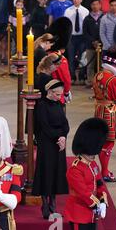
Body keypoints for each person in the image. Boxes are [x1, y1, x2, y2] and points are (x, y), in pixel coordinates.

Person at [64, 118, 109, 230]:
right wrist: (97, 205)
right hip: (79, 213)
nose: (92, 157)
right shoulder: (75, 169)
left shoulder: (93, 164)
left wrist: (103, 201)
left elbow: (100, 183)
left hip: (91, 214)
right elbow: (83, 192)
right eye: (91, 154)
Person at [32, 79, 69, 219]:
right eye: (57, 94)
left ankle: (53, 202)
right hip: (47, 144)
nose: (59, 97)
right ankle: (45, 203)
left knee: (57, 172)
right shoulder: (41, 106)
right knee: (46, 172)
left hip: (59, 144)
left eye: (60, 94)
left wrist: (63, 137)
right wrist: (57, 138)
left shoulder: (59, 105)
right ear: (50, 92)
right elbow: (44, 126)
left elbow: (65, 124)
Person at [93, 56, 116, 182]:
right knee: (108, 143)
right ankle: (105, 172)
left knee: (102, 141)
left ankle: (104, 170)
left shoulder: (98, 75)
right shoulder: (113, 80)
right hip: (110, 112)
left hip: (99, 110)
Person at [64, 0, 89, 83]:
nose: (76, 0)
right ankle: (72, 77)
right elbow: (66, 25)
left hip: (82, 37)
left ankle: (82, 77)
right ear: (72, 0)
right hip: (72, 37)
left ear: (81, 0)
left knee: (82, 58)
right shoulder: (68, 11)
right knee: (71, 58)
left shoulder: (86, 11)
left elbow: (87, 25)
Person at [48, 17, 73, 105]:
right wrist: (66, 92)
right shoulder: (59, 58)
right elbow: (66, 79)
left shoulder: (46, 54)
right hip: (56, 95)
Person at [83, 0, 103, 87]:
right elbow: (85, 32)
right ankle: (91, 82)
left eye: (97, 4)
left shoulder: (104, 17)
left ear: (100, 5)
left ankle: (102, 81)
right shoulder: (87, 19)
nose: (95, 6)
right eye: (93, 4)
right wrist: (92, 41)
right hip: (90, 45)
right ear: (91, 6)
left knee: (101, 65)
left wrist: (100, 41)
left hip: (102, 45)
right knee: (90, 65)